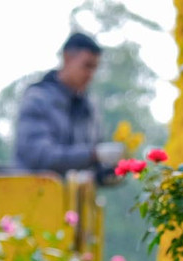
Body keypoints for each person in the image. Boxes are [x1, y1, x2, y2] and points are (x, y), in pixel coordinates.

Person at [14, 32, 117, 180]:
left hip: (75, 199)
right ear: (67, 58)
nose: (90, 74)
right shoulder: (38, 99)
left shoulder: (89, 107)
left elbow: (91, 169)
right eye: (87, 66)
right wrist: (93, 154)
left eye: (94, 68)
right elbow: (38, 156)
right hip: (35, 195)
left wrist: (110, 172)